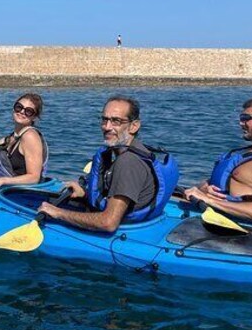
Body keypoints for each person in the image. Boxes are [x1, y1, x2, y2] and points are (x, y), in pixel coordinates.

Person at [38, 95, 178, 232]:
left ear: (134, 126)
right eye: (105, 120)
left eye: (116, 121)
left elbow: (108, 223)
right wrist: (86, 194)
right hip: (145, 223)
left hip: (126, 233)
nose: (107, 127)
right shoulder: (134, 151)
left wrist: (58, 213)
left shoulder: (127, 163)